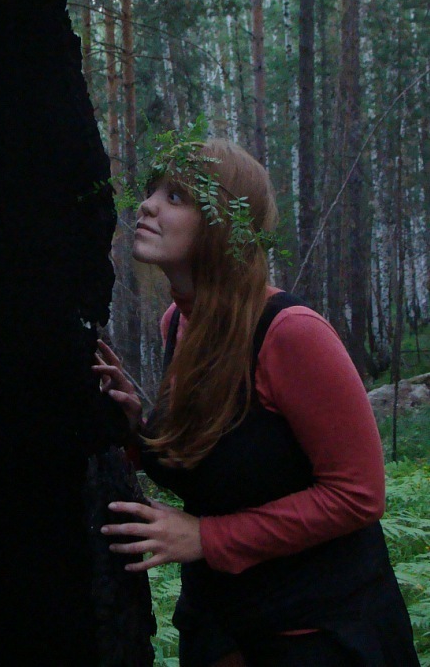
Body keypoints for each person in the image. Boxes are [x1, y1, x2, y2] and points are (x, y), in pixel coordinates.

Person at [92, 139, 419, 667]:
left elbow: (358, 494)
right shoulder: (178, 323)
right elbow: (226, 464)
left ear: (224, 223)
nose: (146, 205)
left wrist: (208, 537)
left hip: (316, 632)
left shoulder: (290, 333)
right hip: (223, 624)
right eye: (152, 191)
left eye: (176, 196)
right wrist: (138, 431)